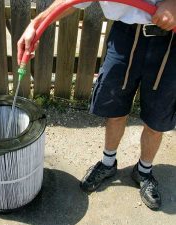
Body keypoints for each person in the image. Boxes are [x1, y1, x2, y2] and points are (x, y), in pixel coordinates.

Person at [17, 0, 176, 210]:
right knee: (115, 108)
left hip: (169, 38)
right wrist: (36, 24)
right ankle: (108, 163)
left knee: (157, 119)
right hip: (125, 35)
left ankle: (144, 171)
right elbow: (73, 1)